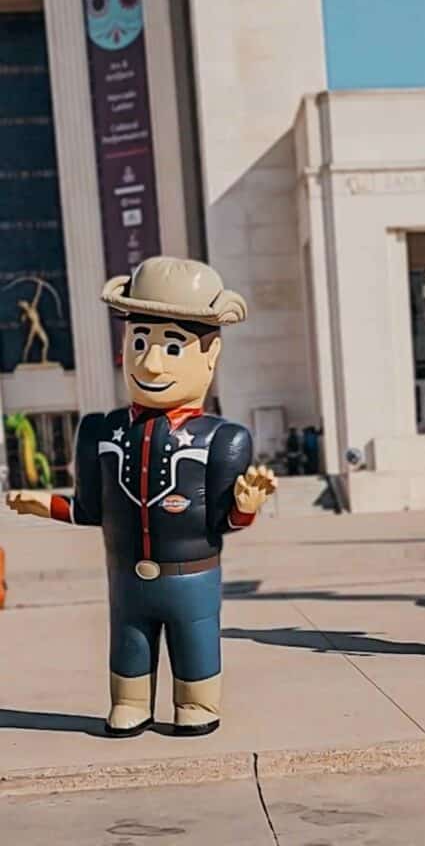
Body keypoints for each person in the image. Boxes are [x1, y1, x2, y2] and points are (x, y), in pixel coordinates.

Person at [6, 257, 276, 737]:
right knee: (128, 642)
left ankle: (196, 701)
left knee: (196, 639)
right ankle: (130, 699)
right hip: (126, 577)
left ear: (209, 355)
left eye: (172, 347)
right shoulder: (99, 431)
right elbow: (90, 509)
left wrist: (246, 507)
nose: (150, 363)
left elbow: (223, 520)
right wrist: (43, 505)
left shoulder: (222, 440)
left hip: (192, 575)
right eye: (139, 342)